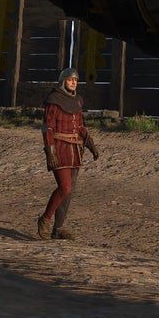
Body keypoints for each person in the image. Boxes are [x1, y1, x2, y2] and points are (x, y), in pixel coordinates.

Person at [37, 67, 100, 240]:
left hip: (74, 150)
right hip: (59, 149)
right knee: (64, 187)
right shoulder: (53, 100)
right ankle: (44, 219)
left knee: (69, 192)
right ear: (63, 81)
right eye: (71, 80)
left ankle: (58, 229)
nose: (74, 83)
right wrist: (50, 153)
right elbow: (46, 127)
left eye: (76, 80)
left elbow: (81, 127)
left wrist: (91, 146)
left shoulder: (77, 101)